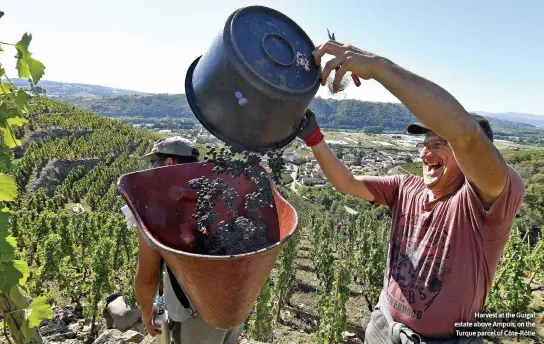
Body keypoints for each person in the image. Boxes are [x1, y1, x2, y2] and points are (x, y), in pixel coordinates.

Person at [297, 41, 525, 343]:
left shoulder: (483, 203)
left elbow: (466, 136)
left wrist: (380, 68)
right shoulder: (406, 187)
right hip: (383, 326)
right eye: (426, 145)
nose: (426, 153)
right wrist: (313, 137)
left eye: (440, 144)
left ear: (470, 161)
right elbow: (347, 183)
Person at [121, 136, 244, 344]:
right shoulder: (223, 195)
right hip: (234, 306)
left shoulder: (155, 210)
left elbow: (148, 276)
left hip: (195, 316)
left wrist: (145, 310)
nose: (153, 168)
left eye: (155, 162)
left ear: (169, 162)